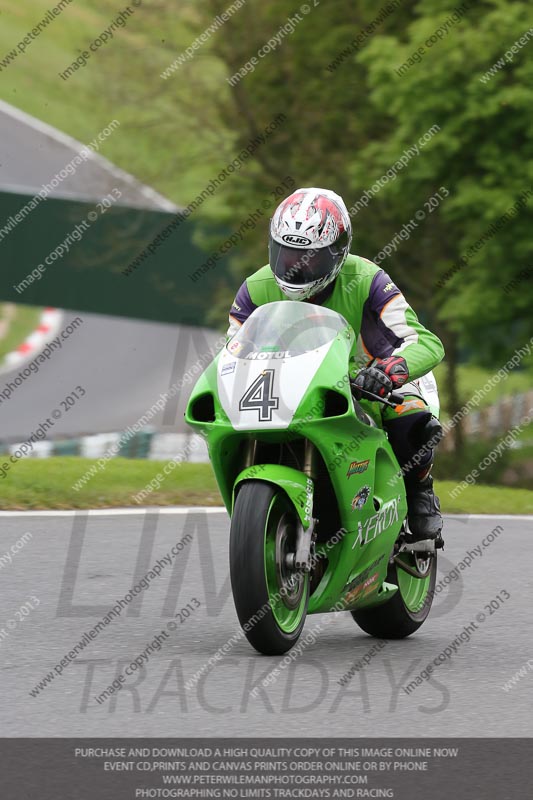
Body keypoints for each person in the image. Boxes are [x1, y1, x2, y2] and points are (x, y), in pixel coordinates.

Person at [226, 187, 445, 543]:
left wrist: (391, 369)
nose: (296, 266)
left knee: (410, 415)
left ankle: (421, 490)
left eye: (309, 257)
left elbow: (425, 341)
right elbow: (232, 348)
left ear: (338, 252)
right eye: (286, 253)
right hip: (290, 386)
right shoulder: (255, 288)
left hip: (368, 381)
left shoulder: (369, 279)